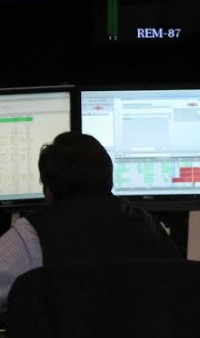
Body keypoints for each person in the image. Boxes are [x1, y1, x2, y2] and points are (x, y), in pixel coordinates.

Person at [0, 131, 181, 314]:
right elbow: (183, 292)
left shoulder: (31, 235)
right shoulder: (147, 225)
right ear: (108, 178)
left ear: (49, 190)